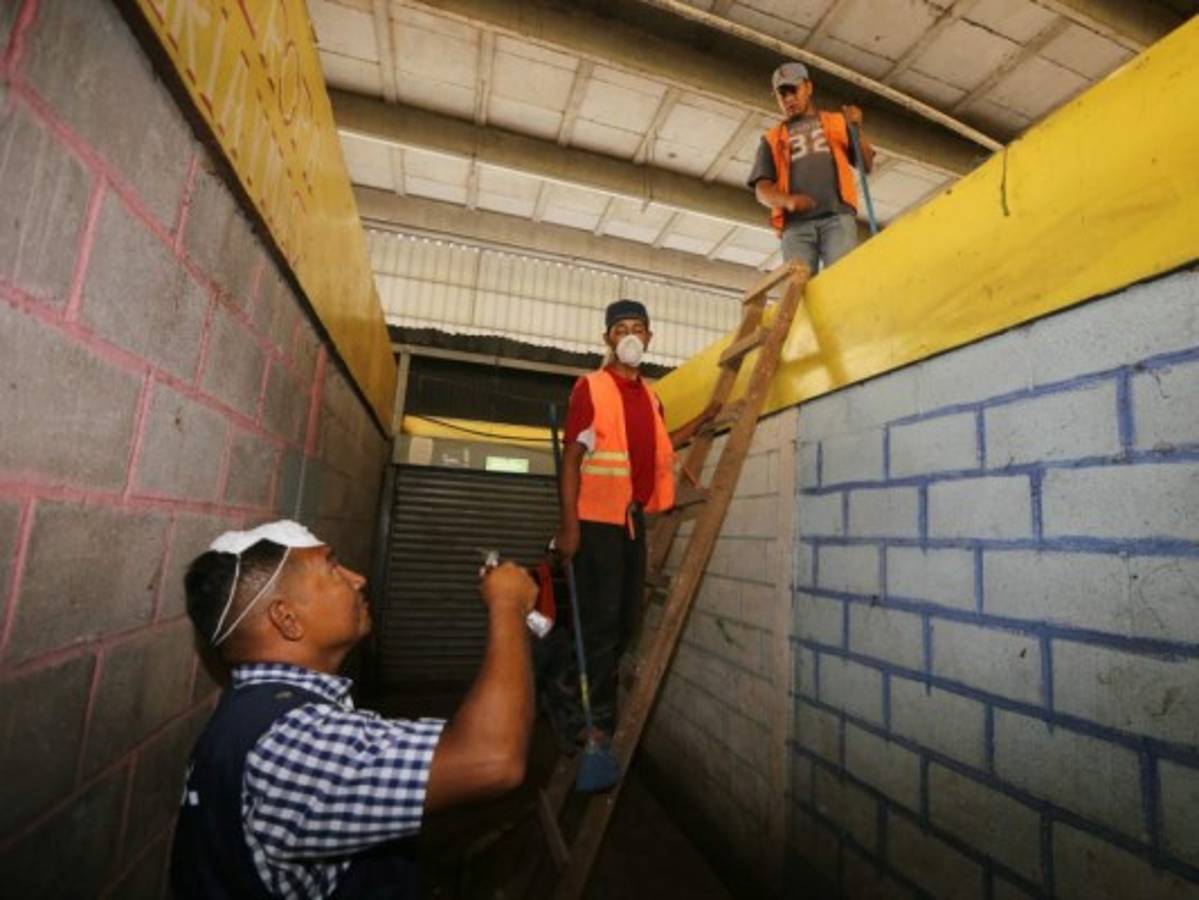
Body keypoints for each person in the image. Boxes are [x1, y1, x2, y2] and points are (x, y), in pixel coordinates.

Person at [169, 519, 537, 899]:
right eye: (332, 567)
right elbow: (492, 759)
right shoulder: (291, 743)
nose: (358, 578)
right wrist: (507, 606)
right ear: (286, 618)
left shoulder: (261, 713)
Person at [550, 300, 710, 748]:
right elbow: (572, 460)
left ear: (651, 337)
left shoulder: (652, 398)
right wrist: (569, 527)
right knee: (599, 623)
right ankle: (591, 721)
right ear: (608, 339)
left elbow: (659, 446)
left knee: (624, 626)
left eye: (638, 328)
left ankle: (581, 697)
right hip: (594, 522)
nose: (631, 336)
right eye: (621, 329)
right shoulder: (592, 388)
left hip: (631, 522)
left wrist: (702, 422)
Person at [747, 61, 875, 273]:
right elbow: (762, 191)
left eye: (793, 90)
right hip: (795, 227)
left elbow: (867, 165)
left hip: (838, 218)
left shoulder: (836, 121)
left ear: (808, 87)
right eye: (782, 95)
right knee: (800, 290)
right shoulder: (771, 139)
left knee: (841, 278)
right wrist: (787, 201)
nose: (788, 99)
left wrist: (856, 129)